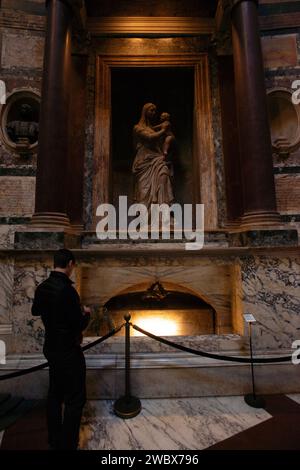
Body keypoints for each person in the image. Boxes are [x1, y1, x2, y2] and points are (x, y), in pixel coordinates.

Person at [32, 249, 90, 450]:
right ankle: (67, 444)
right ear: (71, 264)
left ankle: (54, 439)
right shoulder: (67, 291)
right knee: (75, 398)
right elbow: (78, 325)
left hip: (51, 347)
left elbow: (36, 310)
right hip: (68, 350)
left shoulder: (42, 287)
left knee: (55, 394)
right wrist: (87, 314)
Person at [132, 103, 175, 208]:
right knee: (144, 188)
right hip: (144, 161)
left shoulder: (153, 128)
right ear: (145, 112)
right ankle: (145, 217)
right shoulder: (137, 128)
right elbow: (150, 137)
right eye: (151, 110)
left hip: (157, 158)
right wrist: (163, 130)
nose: (154, 113)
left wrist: (169, 134)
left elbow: (168, 137)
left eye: (155, 111)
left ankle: (164, 214)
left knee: (163, 175)